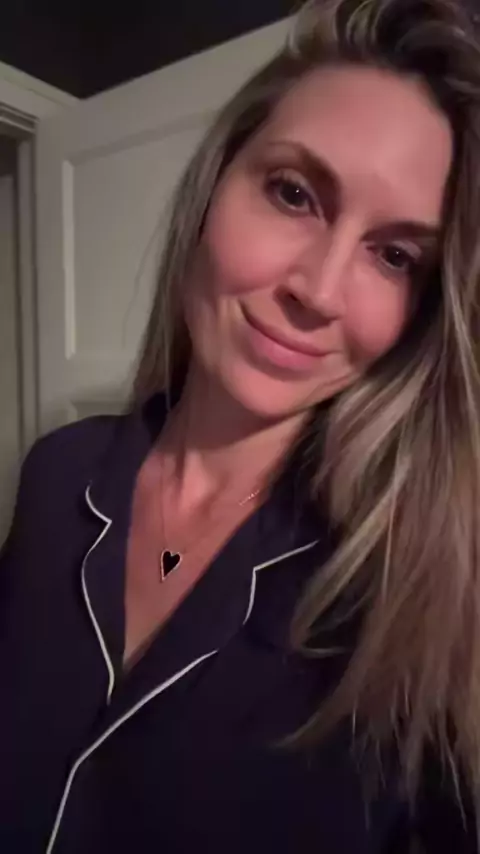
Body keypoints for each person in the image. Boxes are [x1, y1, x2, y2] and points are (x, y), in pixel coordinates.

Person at [2, 0, 480, 850]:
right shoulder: (56, 473)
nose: (318, 291)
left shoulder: (418, 604)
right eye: (294, 193)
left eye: (394, 255)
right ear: (214, 184)